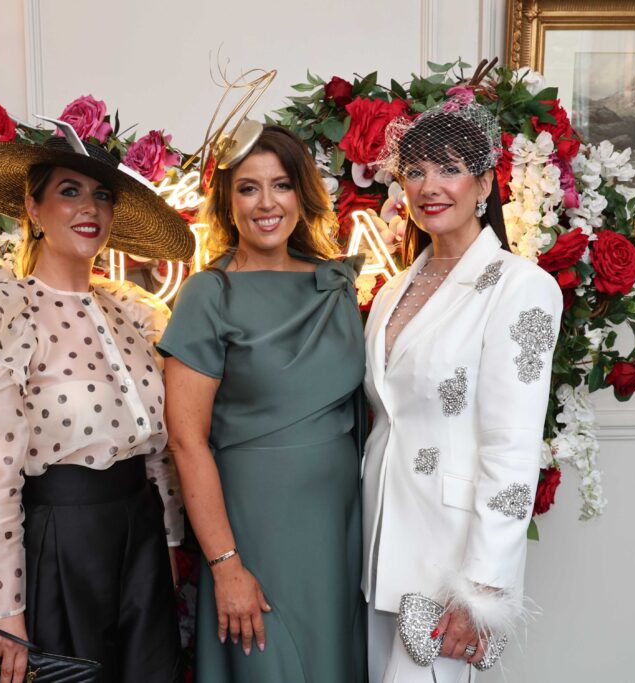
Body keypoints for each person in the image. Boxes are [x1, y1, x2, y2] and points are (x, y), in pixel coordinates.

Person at [0, 125, 195, 683]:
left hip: (141, 538)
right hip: (62, 540)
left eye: (102, 194)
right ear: (33, 206)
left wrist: (168, 542)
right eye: (70, 191)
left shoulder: (132, 313)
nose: (89, 207)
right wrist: (4, 616)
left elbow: (158, 450)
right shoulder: (6, 313)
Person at [361, 97, 563, 682]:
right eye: (417, 170)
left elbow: (513, 444)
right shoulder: (397, 286)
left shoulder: (521, 288)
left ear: (484, 183)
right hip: (380, 546)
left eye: (449, 168)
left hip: (451, 561)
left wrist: (482, 588)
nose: (431, 186)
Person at [159, 124, 366, 682]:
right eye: (249, 188)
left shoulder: (335, 285)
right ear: (228, 201)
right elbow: (185, 439)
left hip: (339, 535)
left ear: (302, 193)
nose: (267, 203)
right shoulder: (209, 294)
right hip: (254, 531)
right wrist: (227, 568)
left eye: (281, 185)